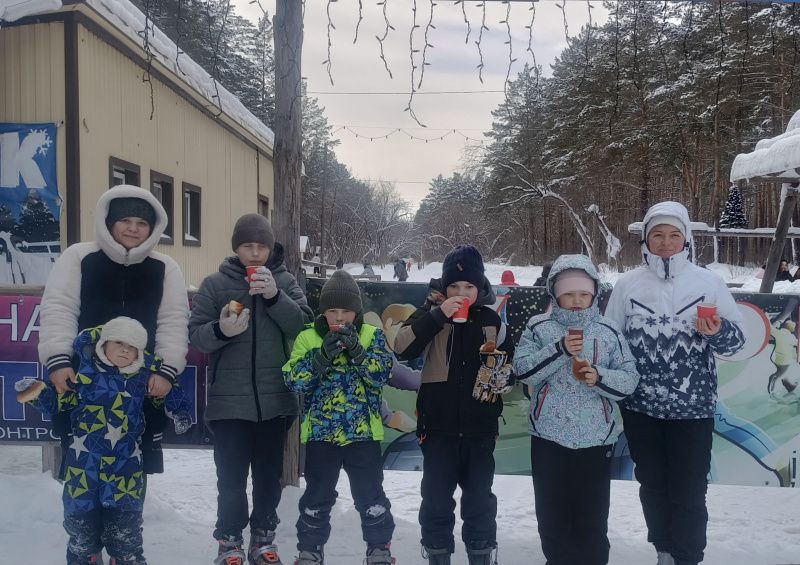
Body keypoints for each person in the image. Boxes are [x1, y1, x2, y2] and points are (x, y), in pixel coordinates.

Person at [605, 201, 745, 565]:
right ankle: (664, 551)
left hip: (693, 409)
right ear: (645, 240)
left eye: (673, 235)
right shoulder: (627, 284)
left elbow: (739, 344)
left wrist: (718, 332)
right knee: (652, 485)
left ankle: (687, 557)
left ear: (686, 240)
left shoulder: (709, 283)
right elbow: (610, 340)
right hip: (641, 408)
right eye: (657, 235)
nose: (665, 242)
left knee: (690, 491)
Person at [38, 184, 189, 485]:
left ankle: (125, 517)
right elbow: (58, 309)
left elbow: (173, 321)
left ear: (153, 228)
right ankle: (83, 516)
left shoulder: (165, 267)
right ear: (108, 222)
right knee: (82, 474)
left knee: (131, 476)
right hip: (83, 383)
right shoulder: (79, 256)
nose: (133, 229)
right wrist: (58, 360)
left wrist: (166, 371)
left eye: (142, 222)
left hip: (140, 387)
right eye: (125, 220)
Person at [188, 213, 313, 565]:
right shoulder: (215, 285)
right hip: (229, 405)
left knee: (268, 478)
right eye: (247, 246)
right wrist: (221, 330)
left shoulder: (285, 281)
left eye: (261, 246)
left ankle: (263, 538)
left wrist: (275, 297)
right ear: (236, 248)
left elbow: (304, 327)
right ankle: (229, 540)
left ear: (271, 248)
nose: (255, 253)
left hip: (276, 402)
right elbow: (195, 335)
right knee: (230, 478)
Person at [18, 317, 193, 565]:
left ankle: (126, 558)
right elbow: (60, 402)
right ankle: (84, 557)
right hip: (83, 465)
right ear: (103, 344)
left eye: (132, 347)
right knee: (80, 523)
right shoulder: (84, 375)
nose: (125, 350)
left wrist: (180, 411)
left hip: (125, 464)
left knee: (125, 525)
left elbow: (168, 392)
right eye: (119, 343)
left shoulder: (143, 377)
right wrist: (37, 393)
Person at [513, 255, 639, 565]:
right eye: (569, 294)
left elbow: (629, 379)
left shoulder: (608, 330)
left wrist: (600, 377)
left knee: (592, 514)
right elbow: (523, 371)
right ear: (555, 293)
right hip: (548, 436)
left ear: (594, 294)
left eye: (584, 294)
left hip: (595, 438)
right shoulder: (539, 327)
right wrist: (559, 350)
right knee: (551, 513)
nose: (577, 301)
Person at [394, 245, 516, 565]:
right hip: (437, 428)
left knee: (479, 501)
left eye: (469, 286)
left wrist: (502, 377)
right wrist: (438, 314)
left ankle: (481, 554)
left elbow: (510, 369)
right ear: (444, 287)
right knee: (436, 501)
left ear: (480, 287)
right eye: (454, 286)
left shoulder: (492, 320)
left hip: (480, 429)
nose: (461, 293)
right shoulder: (429, 314)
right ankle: (437, 555)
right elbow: (402, 348)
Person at [283, 270, 395, 565]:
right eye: (333, 311)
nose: (340, 317)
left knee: (371, 496)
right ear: (323, 311)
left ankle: (379, 549)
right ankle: (310, 550)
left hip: (363, 435)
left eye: (346, 311)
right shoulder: (308, 337)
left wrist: (358, 352)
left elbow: (382, 375)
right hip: (322, 435)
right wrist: (319, 358)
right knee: (317, 497)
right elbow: (294, 381)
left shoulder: (372, 335)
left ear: (356, 311)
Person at [769, 321, 798, 398]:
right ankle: (774, 378)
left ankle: (790, 386)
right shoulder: (791, 337)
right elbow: (796, 343)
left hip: (776, 358)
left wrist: (768, 319)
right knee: (781, 374)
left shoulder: (777, 332)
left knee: (783, 373)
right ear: (791, 328)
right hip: (785, 359)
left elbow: (770, 327)